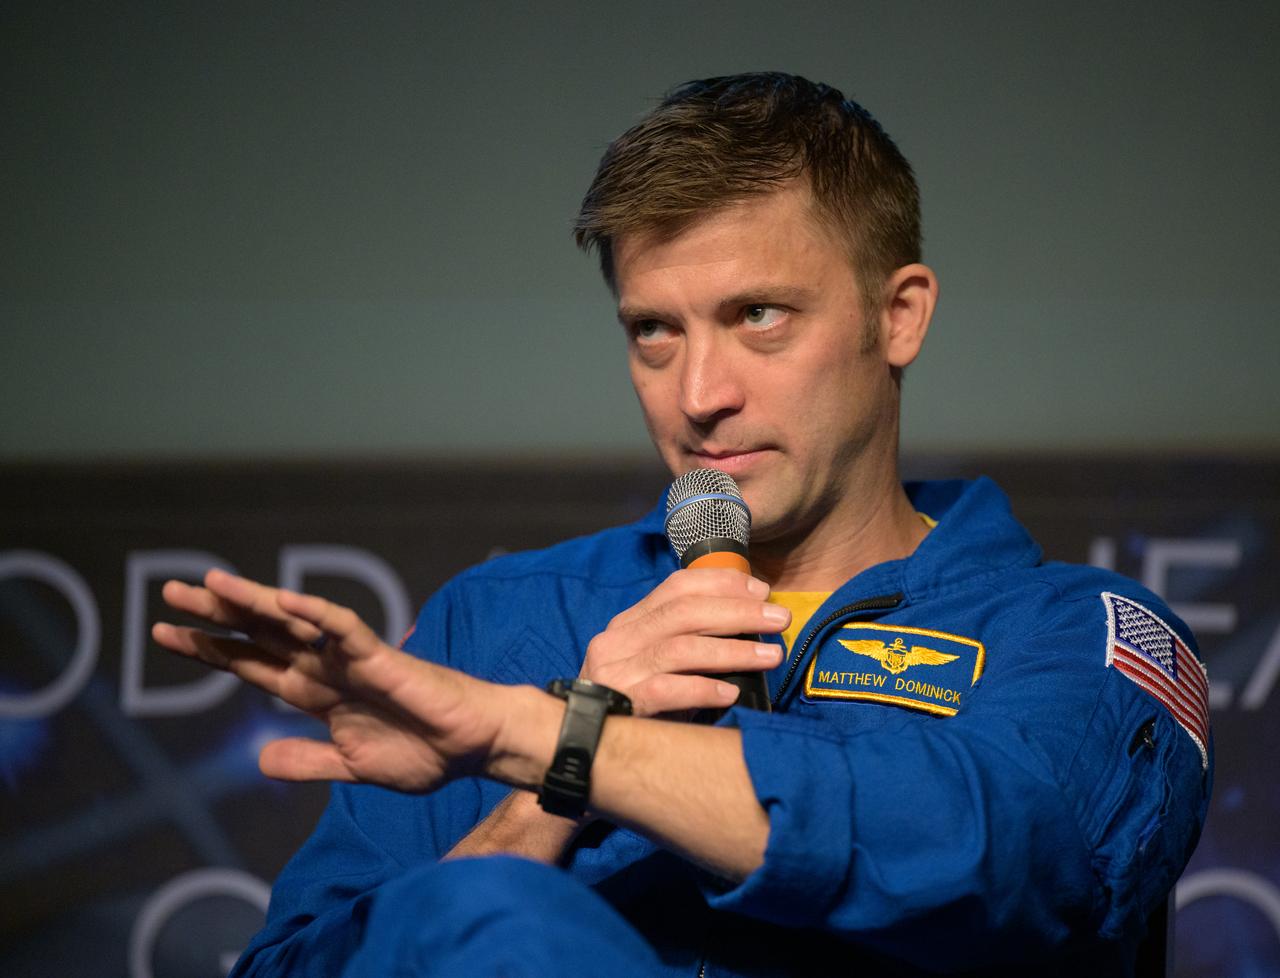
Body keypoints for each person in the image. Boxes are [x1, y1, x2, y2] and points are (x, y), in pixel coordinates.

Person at [153, 73, 1212, 976]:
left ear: (898, 316)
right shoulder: (505, 623)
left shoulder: (1082, 633)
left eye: (758, 317)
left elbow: (1004, 859)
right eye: (653, 331)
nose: (698, 392)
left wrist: (536, 733)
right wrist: (547, 796)